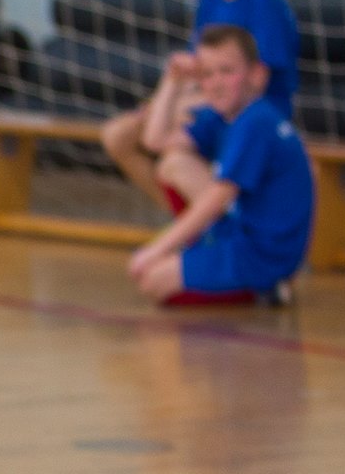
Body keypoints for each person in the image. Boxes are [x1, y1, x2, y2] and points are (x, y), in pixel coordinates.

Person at [102, 0, 300, 212]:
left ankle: (218, 222)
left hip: (252, 110)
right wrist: (161, 102)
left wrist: (181, 106)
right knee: (117, 135)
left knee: (171, 151)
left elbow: (256, 84)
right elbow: (199, 71)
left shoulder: (266, 6)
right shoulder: (210, 1)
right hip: (209, 101)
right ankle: (188, 221)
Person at [128, 25, 313, 305]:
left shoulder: (256, 121)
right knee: (172, 164)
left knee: (157, 282)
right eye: (206, 74)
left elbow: (220, 196)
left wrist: (158, 248)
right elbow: (155, 141)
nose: (216, 83)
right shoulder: (224, 117)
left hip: (262, 253)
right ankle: (209, 252)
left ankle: (265, 289)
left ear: (257, 75)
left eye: (227, 71)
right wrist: (173, 80)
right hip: (243, 235)